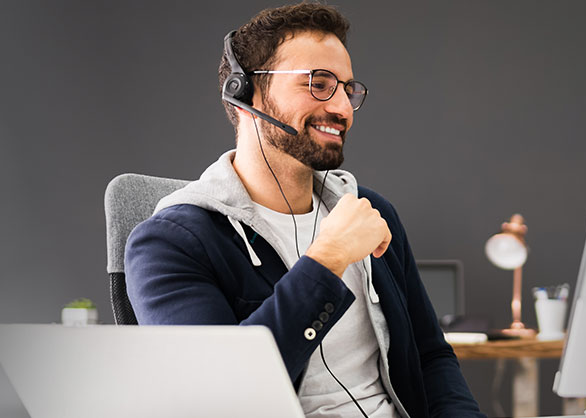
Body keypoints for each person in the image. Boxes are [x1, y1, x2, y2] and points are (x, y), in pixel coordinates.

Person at [125, 3, 486, 418]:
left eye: (347, 89)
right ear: (246, 92)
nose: (343, 109)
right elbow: (218, 400)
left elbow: (432, 357)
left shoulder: (367, 212)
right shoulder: (170, 243)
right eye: (318, 83)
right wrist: (327, 259)